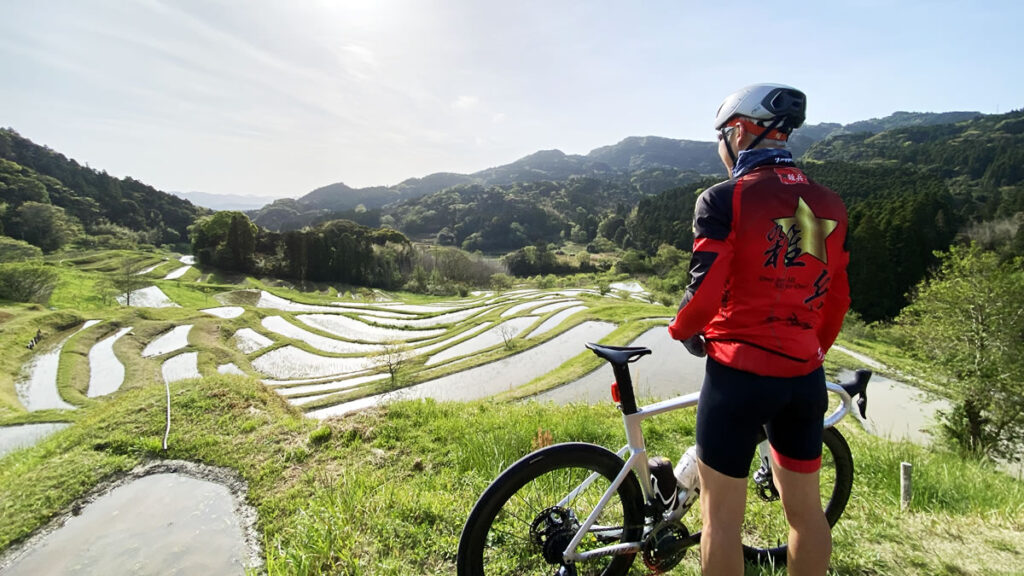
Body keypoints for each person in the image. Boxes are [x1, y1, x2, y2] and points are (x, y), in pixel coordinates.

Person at [668, 83, 850, 576]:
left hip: (738, 379)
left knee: (720, 522)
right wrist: (807, 351)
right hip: (804, 379)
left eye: (720, 138)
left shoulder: (725, 198)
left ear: (738, 131)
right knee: (807, 516)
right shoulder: (828, 203)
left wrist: (681, 329)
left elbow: (703, 293)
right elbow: (837, 298)